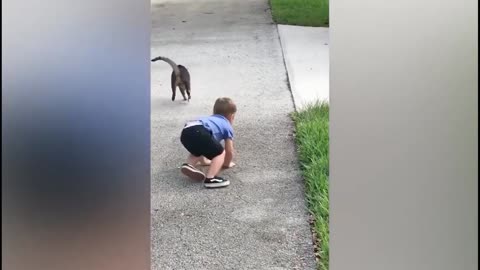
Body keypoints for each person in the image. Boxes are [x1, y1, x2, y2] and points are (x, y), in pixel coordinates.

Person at [179, 97, 237, 188]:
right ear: (232, 116)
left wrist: (204, 161)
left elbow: (204, 146)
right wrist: (227, 163)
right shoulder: (226, 125)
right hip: (200, 131)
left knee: (198, 148)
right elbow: (229, 150)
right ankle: (211, 178)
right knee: (220, 153)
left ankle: (189, 165)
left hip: (186, 132)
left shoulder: (210, 119)